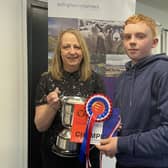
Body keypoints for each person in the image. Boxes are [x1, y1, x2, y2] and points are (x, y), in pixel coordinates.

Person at [96, 14, 168, 167]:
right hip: (123, 162)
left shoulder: (164, 72)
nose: (132, 42)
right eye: (127, 37)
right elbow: (122, 122)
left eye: (140, 36)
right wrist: (112, 131)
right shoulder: (123, 77)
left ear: (154, 42)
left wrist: (120, 144)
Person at [34, 28, 105, 168]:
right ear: (59, 51)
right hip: (55, 156)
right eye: (66, 47)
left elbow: (102, 119)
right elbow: (40, 126)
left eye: (77, 47)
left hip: (87, 156)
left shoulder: (95, 80)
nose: (72, 52)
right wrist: (52, 107)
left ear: (83, 51)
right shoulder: (46, 79)